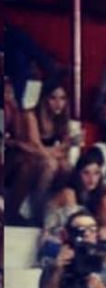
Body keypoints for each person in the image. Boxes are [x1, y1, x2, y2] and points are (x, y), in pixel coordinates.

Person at [5, 81, 75, 224]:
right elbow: (35, 147)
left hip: (41, 156)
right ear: (44, 99)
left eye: (62, 98)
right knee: (50, 165)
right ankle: (38, 213)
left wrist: (61, 150)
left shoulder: (62, 118)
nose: (58, 103)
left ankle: (55, 209)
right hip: (22, 157)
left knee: (66, 166)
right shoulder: (32, 115)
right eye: (53, 98)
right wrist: (58, 150)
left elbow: (65, 149)